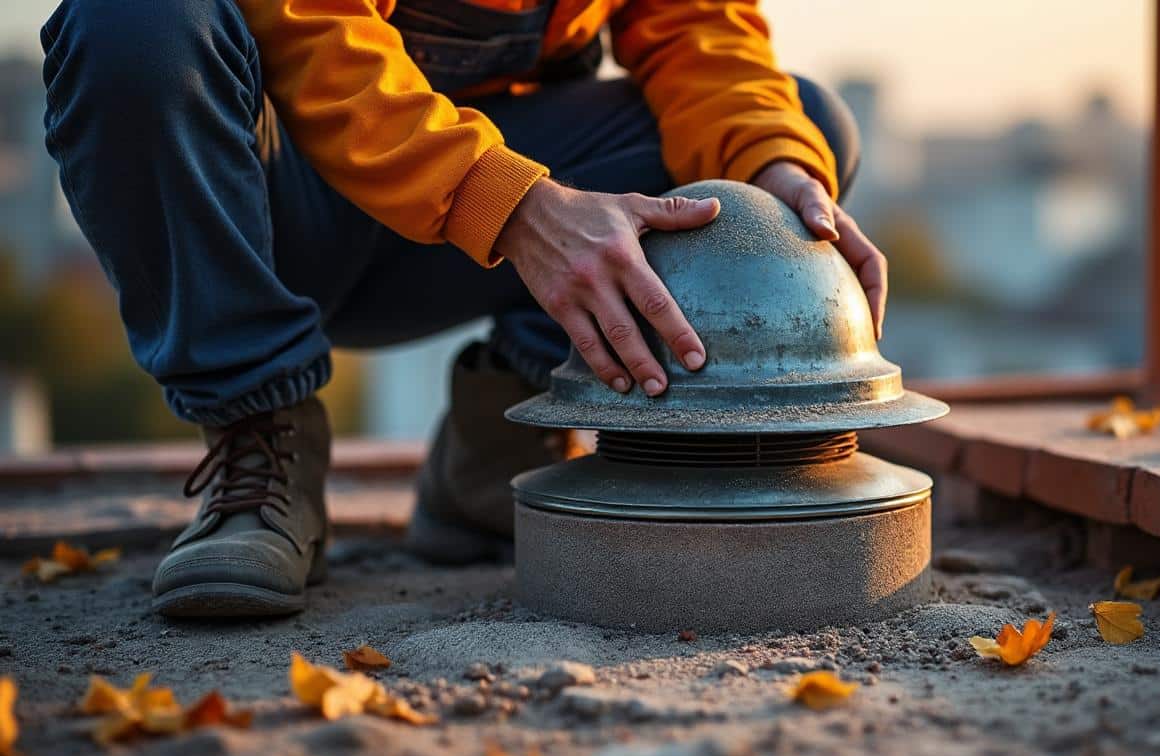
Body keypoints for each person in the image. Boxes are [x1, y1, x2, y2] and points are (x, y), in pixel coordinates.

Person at [40, 0, 890, 617]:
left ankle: (499, 435)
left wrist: (778, 172)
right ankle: (259, 445)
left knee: (798, 126)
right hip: (267, 207)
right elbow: (311, 27)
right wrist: (515, 207)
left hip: (466, 235)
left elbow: (701, 31)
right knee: (127, 24)